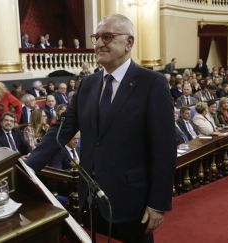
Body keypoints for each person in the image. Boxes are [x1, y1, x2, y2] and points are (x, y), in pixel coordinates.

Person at [26, 13, 176, 243]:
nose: (98, 44)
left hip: (132, 198)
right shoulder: (88, 84)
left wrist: (158, 203)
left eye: (107, 37)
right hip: (91, 196)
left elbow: (164, 149)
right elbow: (61, 131)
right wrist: (27, 166)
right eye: (96, 37)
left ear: (129, 42)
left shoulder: (152, 83)